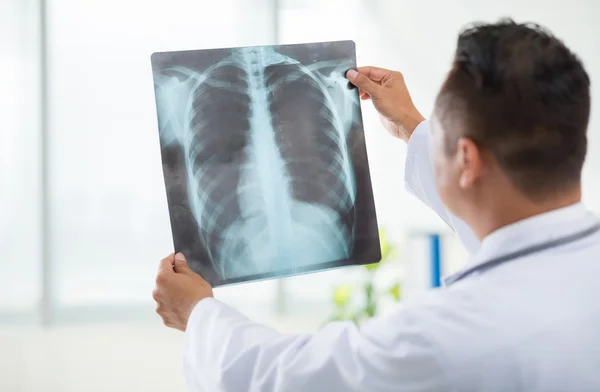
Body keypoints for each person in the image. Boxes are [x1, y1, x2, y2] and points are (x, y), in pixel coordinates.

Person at [152, 19, 600, 391]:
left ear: (467, 158)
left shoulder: (451, 338)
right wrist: (412, 126)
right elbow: (506, 230)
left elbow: (288, 379)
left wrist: (198, 315)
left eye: (439, 127)